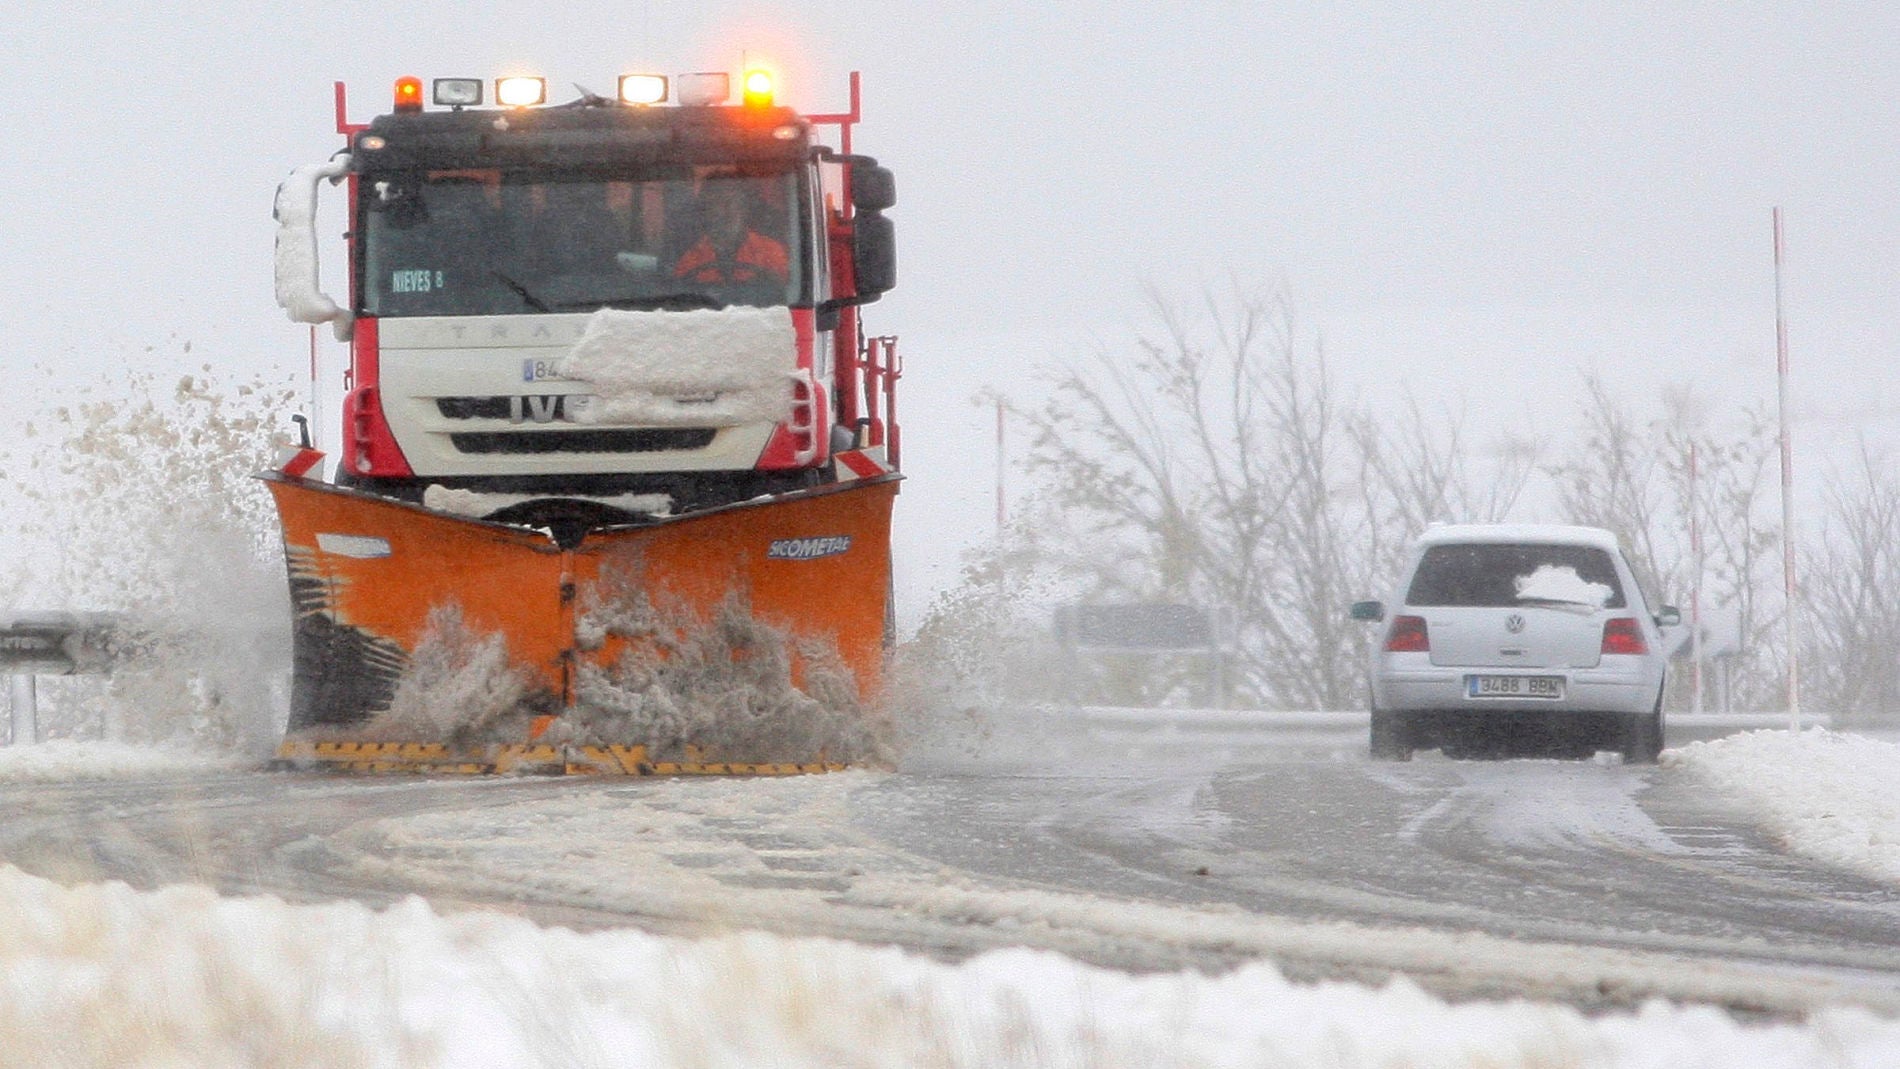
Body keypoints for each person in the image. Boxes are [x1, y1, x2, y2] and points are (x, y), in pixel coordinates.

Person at [671, 180, 789, 286]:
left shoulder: (771, 252)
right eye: (717, 203)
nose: (725, 212)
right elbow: (680, 301)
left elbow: (786, 295)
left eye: (732, 202)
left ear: (744, 208)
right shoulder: (691, 259)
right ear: (706, 211)